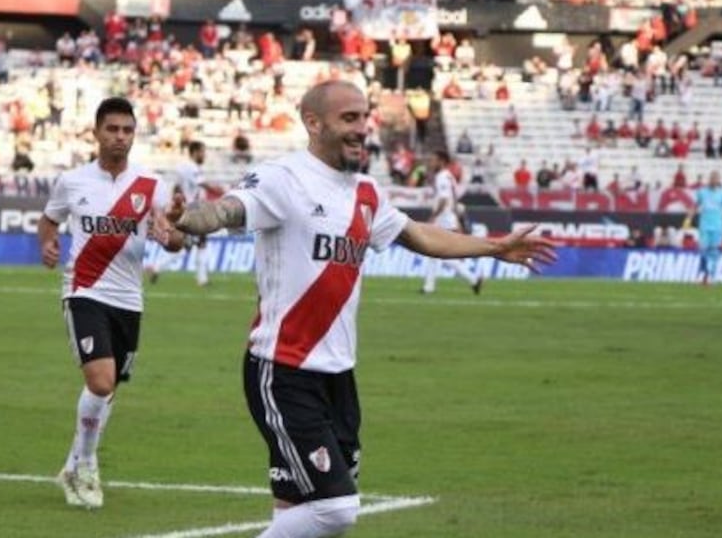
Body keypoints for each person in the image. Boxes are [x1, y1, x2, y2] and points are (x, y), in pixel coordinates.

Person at [159, 81, 555, 538]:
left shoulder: (366, 193)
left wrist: (492, 247)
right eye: (349, 118)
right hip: (283, 369)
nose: (361, 128)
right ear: (314, 122)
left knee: (295, 512)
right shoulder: (282, 178)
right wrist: (186, 218)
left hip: (338, 376)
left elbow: (419, 235)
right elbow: (226, 211)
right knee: (337, 509)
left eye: (363, 118)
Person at [37, 97, 183, 509]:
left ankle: (71, 465)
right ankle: (86, 464)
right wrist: (47, 245)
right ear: (97, 132)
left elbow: (175, 241)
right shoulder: (73, 181)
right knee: (100, 382)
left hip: (129, 300)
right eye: (112, 129)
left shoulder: (151, 185)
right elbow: (49, 220)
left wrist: (166, 234)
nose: (120, 137)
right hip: (84, 291)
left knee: (107, 392)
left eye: (127, 130)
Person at [148, 141, 222, 286]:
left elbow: (177, 187)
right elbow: (203, 184)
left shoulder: (184, 167)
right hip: (192, 212)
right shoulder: (191, 167)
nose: (204, 155)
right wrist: (221, 191)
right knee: (191, 244)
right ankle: (200, 279)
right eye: (202, 152)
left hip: (191, 210)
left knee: (197, 243)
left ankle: (201, 279)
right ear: (194, 152)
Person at [420, 150, 483, 295]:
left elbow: (443, 199)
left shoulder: (442, 176)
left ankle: (472, 279)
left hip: (444, 219)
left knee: (439, 253)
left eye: (434, 160)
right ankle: (430, 287)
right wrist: (456, 216)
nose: (431, 162)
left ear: (441, 161)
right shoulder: (449, 175)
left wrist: (433, 216)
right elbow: (454, 199)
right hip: (448, 217)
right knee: (434, 253)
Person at [682, 170, 722, 285]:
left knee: (714, 251)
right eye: (712, 178)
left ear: (719, 180)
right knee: (703, 250)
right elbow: (694, 206)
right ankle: (703, 273)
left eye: (716, 178)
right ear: (709, 179)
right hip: (704, 226)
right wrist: (688, 219)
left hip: (718, 226)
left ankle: (709, 276)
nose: (713, 180)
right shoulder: (702, 192)